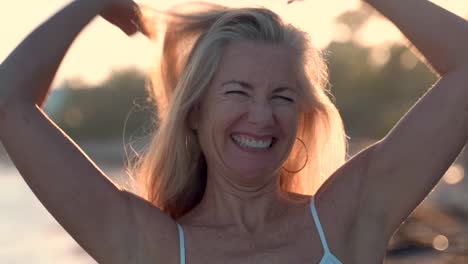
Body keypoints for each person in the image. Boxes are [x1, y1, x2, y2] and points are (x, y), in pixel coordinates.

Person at [0, 0, 467, 263]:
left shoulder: (345, 219)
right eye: (238, 92)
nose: (261, 117)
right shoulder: (148, 245)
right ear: (195, 113)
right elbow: (8, 102)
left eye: (283, 96)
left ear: (303, 116)